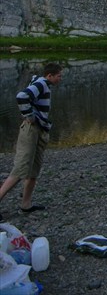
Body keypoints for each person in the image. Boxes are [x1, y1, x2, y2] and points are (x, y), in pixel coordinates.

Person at [0, 62, 63, 220]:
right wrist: (29, 116)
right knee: (21, 168)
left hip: (41, 130)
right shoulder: (41, 84)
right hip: (30, 131)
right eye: (59, 76)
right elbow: (21, 96)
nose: (60, 79)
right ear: (50, 75)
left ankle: (26, 204)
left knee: (34, 169)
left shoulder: (44, 84)